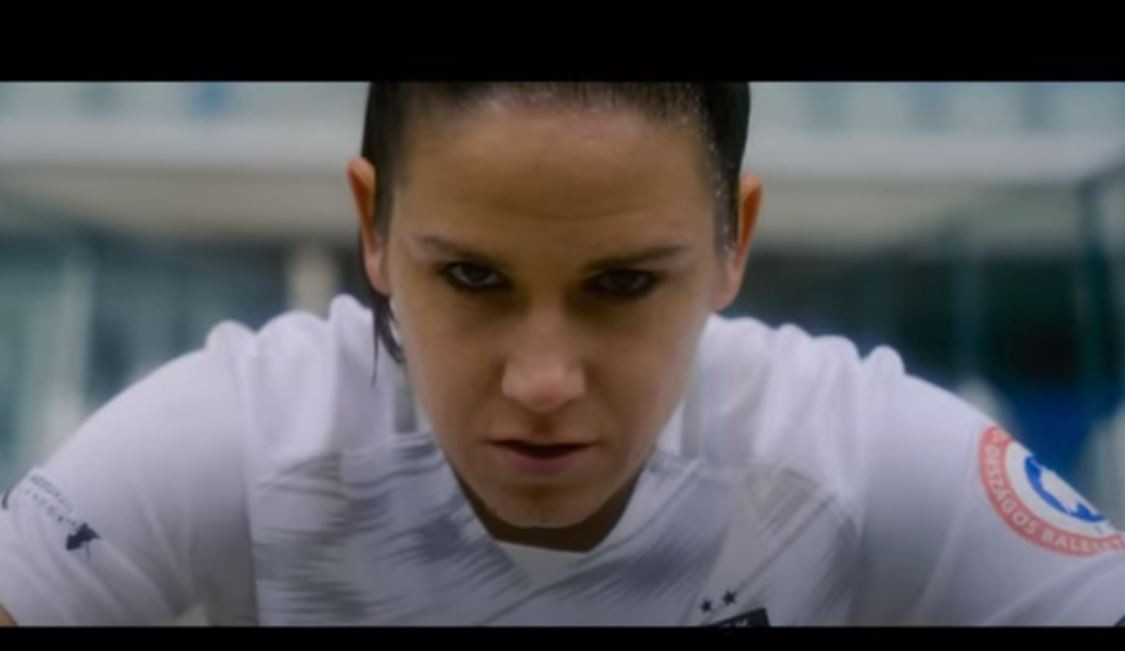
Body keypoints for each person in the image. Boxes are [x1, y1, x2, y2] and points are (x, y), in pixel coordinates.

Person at [1, 82, 1123, 627]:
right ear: (374, 229)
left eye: (622, 285)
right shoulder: (243, 436)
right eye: (472, 277)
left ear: (733, 242)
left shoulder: (846, 455)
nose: (542, 382)